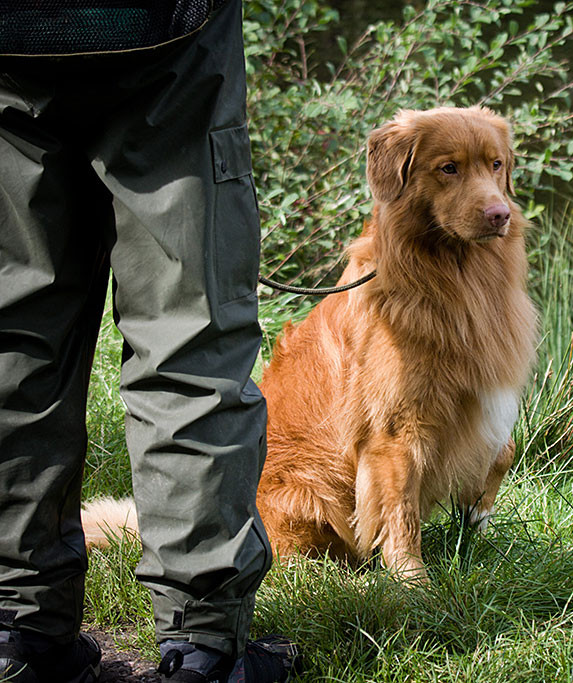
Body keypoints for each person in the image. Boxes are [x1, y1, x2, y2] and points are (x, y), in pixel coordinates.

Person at [0, 0, 300, 680]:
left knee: (13, 334)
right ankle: (204, 648)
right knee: (187, 336)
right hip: (167, 33)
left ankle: (17, 629)